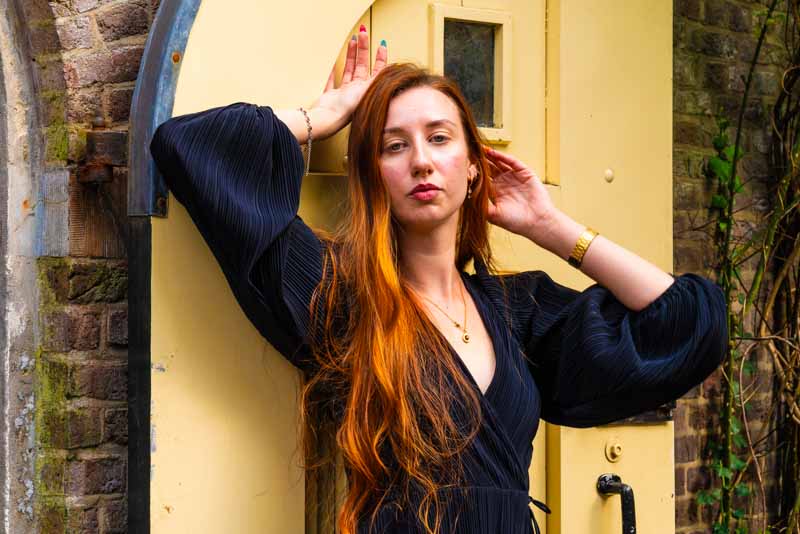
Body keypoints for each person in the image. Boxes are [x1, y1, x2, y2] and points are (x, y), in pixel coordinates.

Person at [150, 26, 728, 534]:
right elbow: (192, 146)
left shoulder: (516, 312)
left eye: (440, 138)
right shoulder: (340, 295)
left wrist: (550, 226)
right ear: (373, 175)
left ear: (474, 165)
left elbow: (689, 322)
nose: (421, 161)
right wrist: (326, 116)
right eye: (394, 146)